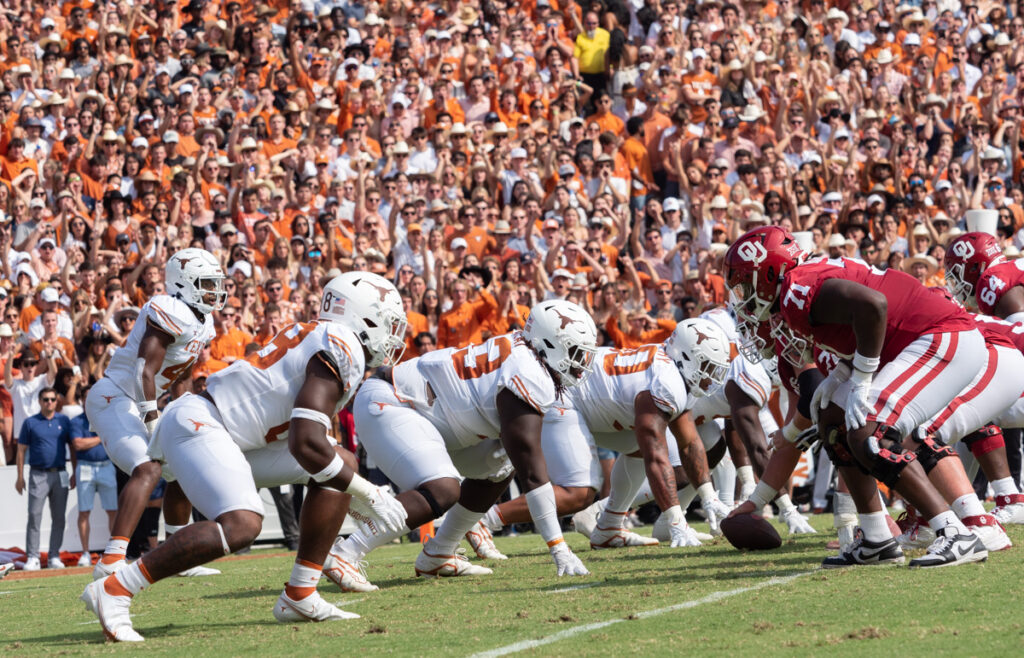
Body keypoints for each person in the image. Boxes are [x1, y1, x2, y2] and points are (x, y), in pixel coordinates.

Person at [81, 272, 410, 641]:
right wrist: (372, 494)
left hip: (231, 433)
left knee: (341, 464)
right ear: (362, 315)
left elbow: (310, 440)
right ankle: (116, 587)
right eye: (388, 322)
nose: (392, 334)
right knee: (243, 522)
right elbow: (305, 443)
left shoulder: (326, 336)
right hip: (203, 422)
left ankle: (300, 593)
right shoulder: (342, 345)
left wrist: (356, 487)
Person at [726, 226, 989, 568]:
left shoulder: (796, 288)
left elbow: (874, 306)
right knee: (831, 416)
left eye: (745, 284)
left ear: (770, 271)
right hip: (917, 343)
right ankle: (877, 537)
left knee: (871, 432)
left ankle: (955, 532)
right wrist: (839, 376)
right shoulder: (800, 287)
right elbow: (860, 328)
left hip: (942, 337)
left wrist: (862, 377)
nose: (742, 296)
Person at [323, 300, 598, 592]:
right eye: (575, 352)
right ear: (549, 343)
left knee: (498, 464)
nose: (581, 364)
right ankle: (345, 554)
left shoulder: (526, 353)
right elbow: (532, 472)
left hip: (432, 416)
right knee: (443, 489)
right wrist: (558, 548)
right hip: (391, 401)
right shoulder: (529, 372)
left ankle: (439, 552)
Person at [478, 319, 733, 550]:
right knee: (579, 492)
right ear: (686, 356)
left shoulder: (674, 374)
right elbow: (657, 458)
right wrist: (676, 520)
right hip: (565, 395)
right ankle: (484, 520)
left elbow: (689, 443)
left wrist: (709, 497)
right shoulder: (667, 382)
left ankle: (609, 526)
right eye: (707, 367)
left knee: (636, 448)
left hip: (593, 403)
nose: (711, 378)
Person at [86, 249, 225, 580]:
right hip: (113, 396)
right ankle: (112, 558)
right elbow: (141, 372)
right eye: (206, 284)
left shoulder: (203, 323)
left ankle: (178, 554)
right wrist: (152, 420)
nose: (214, 292)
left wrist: (183, 409)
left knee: (180, 465)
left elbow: (178, 374)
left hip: (138, 400)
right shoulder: (169, 309)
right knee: (147, 468)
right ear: (183, 284)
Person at [15, 387, 74, 570]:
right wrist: (19, 476)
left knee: (59, 518)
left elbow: (72, 447)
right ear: (40, 401)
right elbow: (21, 450)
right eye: (46, 399)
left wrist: (75, 471)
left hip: (60, 472)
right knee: (34, 515)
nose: (49, 402)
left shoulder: (64, 421)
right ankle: (32, 556)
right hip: (37, 473)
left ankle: (54, 556)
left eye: (52, 399)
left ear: (57, 402)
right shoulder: (30, 422)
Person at [71, 406, 118, 567]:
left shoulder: (106, 418)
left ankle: (115, 552)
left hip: (106, 465)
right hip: (85, 466)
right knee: (84, 511)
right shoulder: (77, 421)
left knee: (113, 510)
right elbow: (78, 444)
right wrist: (100, 437)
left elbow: (114, 439)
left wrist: (91, 441)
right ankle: (85, 553)